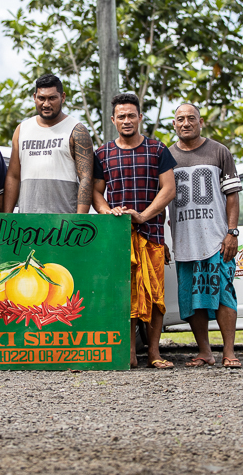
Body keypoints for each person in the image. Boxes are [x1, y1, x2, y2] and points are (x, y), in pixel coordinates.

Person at [93, 93, 177, 369]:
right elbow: (96, 193)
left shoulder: (157, 150)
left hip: (151, 233)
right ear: (113, 119)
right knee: (124, 295)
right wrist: (109, 213)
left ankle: (154, 352)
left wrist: (143, 216)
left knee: (155, 296)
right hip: (119, 239)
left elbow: (169, 189)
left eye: (132, 115)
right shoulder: (103, 153)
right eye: (121, 116)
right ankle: (127, 352)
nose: (127, 120)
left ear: (140, 117)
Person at [168, 103, 243, 368]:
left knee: (224, 294)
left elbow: (232, 196)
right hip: (185, 240)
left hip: (216, 240)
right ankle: (205, 351)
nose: (185, 123)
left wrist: (231, 232)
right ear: (174, 124)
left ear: (201, 122)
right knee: (192, 299)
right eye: (180, 119)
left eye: (191, 118)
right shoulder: (166, 157)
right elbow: (162, 199)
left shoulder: (219, 151)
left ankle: (229, 352)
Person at [3, 74, 94, 214]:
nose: (46, 104)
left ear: (62, 97)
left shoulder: (76, 130)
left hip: (63, 223)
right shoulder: (22, 129)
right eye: (41, 98)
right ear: (34, 97)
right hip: (27, 224)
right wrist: (7, 218)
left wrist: (79, 222)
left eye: (52, 98)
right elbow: (13, 176)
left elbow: (86, 179)